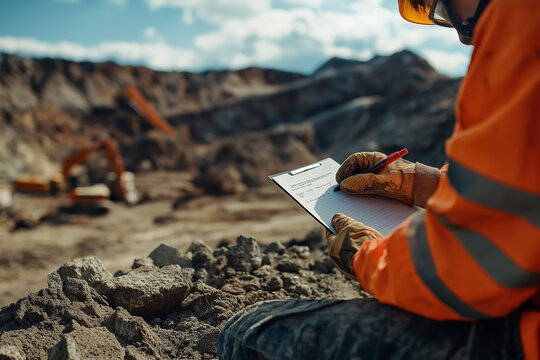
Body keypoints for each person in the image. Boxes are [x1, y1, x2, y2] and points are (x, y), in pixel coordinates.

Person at [218, 0, 540, 358]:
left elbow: (466, 270)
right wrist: (417, 181)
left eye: (441, 9)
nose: (464, 39)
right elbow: (521, 193)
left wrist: (368, 257)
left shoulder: (520, 25)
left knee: (246, 335)